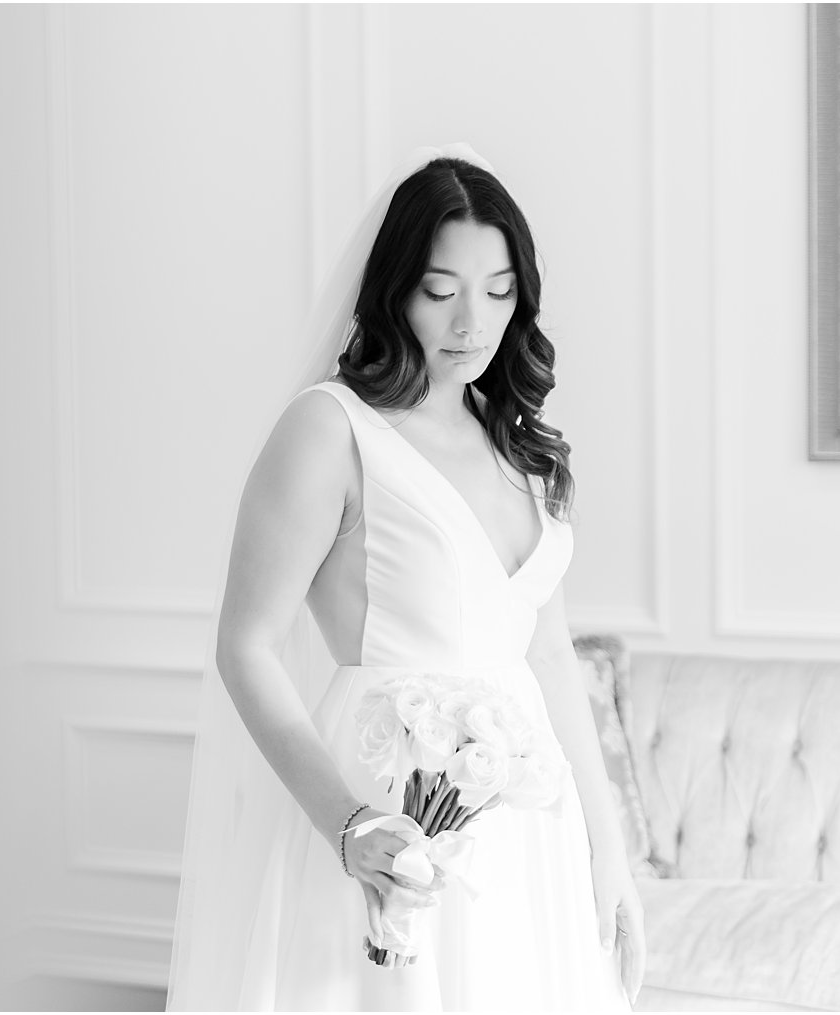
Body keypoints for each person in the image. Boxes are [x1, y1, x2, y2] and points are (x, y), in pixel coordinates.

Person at [165, 144, 646, 1011]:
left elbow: (546, 653)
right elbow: (247, 644)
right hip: (385, 826)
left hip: (527, 838)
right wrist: (347, 823)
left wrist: (605, 850)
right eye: (441, 291)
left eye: (499, 292)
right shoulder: (330, 430)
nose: (473, 322)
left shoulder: (524, 447)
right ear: (395, 289)